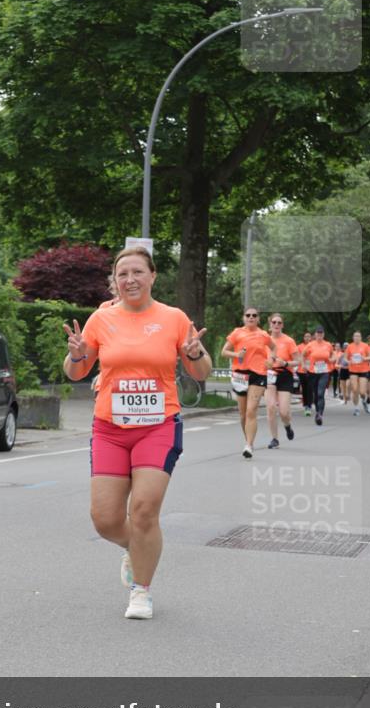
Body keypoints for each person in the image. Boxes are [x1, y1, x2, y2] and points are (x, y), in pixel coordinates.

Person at [62, 246, 211, 621]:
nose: (130, 279)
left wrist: (194, 354)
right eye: (122, 273)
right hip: (110, 428)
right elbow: (75, 372)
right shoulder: (101, 319)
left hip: (158, 426)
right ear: (115, 280)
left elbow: (202, 372)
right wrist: (77, 354)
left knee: (143, 511)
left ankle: (140, 590)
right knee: (106, 519)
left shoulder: (174, 318)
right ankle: (138, 549)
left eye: (137, 272)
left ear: (152, 276)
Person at [221, 307, 276, 458]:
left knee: (251, 410)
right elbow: (224, 352)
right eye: (248, 315)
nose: (251, 317)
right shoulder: (237, 332)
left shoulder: (263, 334)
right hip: (240, 374)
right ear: (244, 318)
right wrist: (236, 354)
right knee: (243, 414)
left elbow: (273, 347)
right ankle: (248, 440)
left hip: (258, 373)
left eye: (254, 315)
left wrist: (271, 359)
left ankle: (249, 445)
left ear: (258, 319)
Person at [265, 313, 299, 449]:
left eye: (279, 323)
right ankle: (274, 439)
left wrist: (285, 363)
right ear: (270, 324)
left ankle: (287, 426)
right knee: (271, 407)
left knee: (284, 412)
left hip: (285, 375)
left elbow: (298, 361)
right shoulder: (265, 340)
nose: (276, 325)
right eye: (274, 322)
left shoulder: (289, 341)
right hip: (269, 375)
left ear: (282, 325)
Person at [301, 327, 335, 425]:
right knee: (315, 394)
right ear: (315, 334)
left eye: (321, 333)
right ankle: (317, 411)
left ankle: (319, 414)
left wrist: (333, 359)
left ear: (323, 334)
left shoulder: (328, 345)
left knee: (320, 393)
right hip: (313, 372)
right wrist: (303, 365)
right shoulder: (310, 345)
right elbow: (303, 355)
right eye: (318, 333)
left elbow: (333, 355)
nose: (319, 335)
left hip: (324, 372)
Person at [346, 331, 370, 416]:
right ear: (353, 337)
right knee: (355, 389)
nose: (357, 338)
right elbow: (345, 358)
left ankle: (364, 400)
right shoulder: (349, 346)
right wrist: (349, 361)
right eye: (355, 336)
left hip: (363, 370)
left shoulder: (365, 346)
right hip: (353, 370)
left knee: (362, 392)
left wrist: (364, 358)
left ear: (361, 338)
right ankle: (356, 408)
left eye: (358, 336)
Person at [296, 331, 313, 416]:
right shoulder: (299, 347)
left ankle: (309, 405)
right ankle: (306, 404)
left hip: (312, 370)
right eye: (306, 336)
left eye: (309, 336)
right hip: (301, 370)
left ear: (311, 338)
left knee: (310, 388)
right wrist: (303, 364)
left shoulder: (314, 346)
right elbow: (298, 357)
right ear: (303, 338)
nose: (307, 338)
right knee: (304, 388)